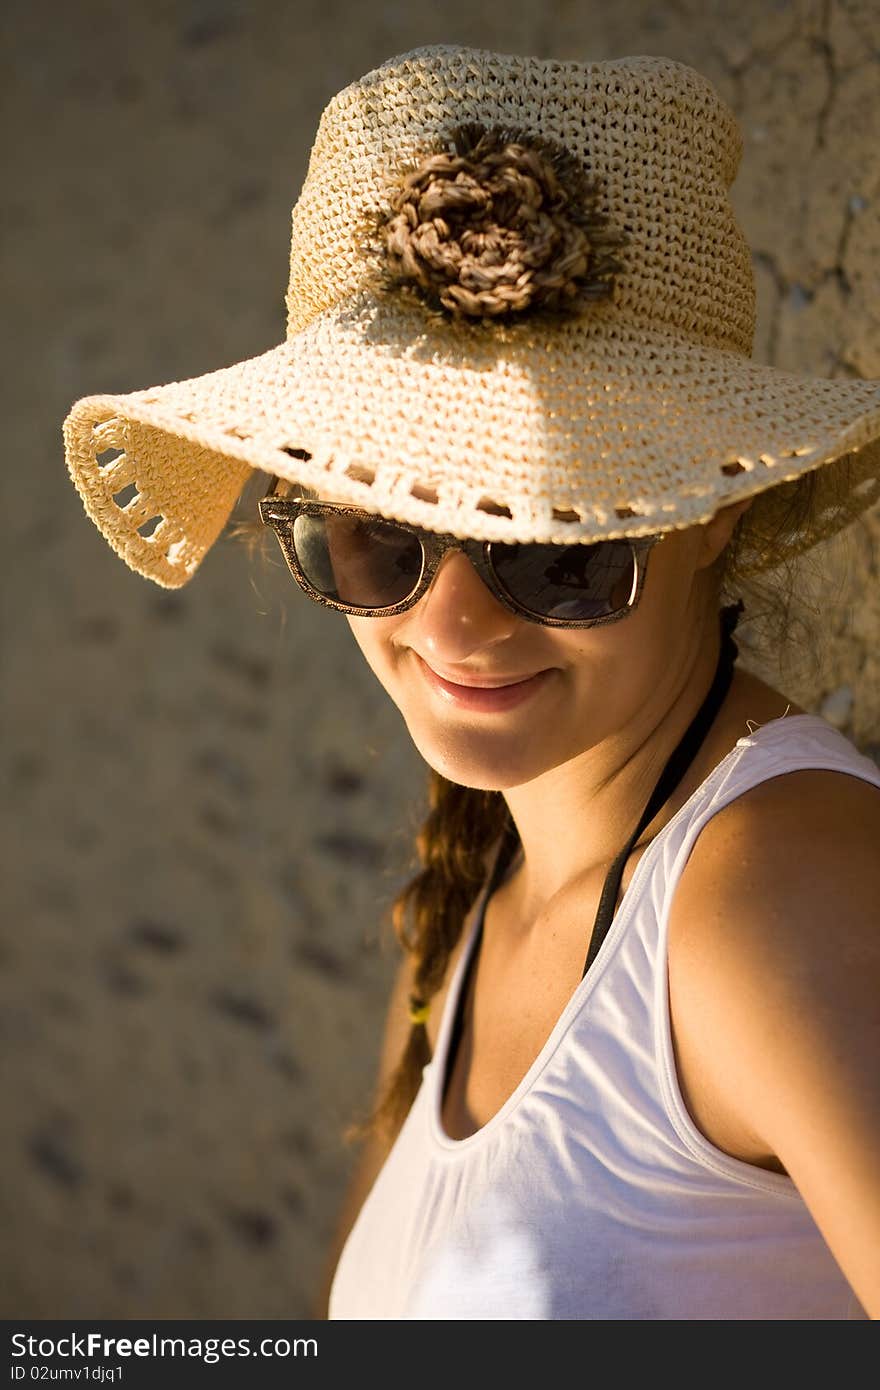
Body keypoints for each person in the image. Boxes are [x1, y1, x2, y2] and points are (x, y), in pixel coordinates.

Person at [63, 45, 880, 1320]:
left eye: (549, 543)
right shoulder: (457, 918)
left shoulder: (772, 891)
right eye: (379, 534)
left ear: (711, 514)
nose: (449, 618)